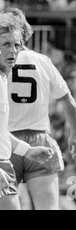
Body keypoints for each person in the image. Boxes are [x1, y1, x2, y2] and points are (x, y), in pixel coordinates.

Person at [3, 7, 76, 210]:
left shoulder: (5, 65)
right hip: (38, 139)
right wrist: (75, 135)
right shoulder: (42, 61)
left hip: (6, 142)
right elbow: (69, 102)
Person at [0, 13, 53, 210]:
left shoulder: (3, 78)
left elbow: (0, 133)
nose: (13, 51)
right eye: (6, 44)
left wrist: (27, 150)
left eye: (17, 45)